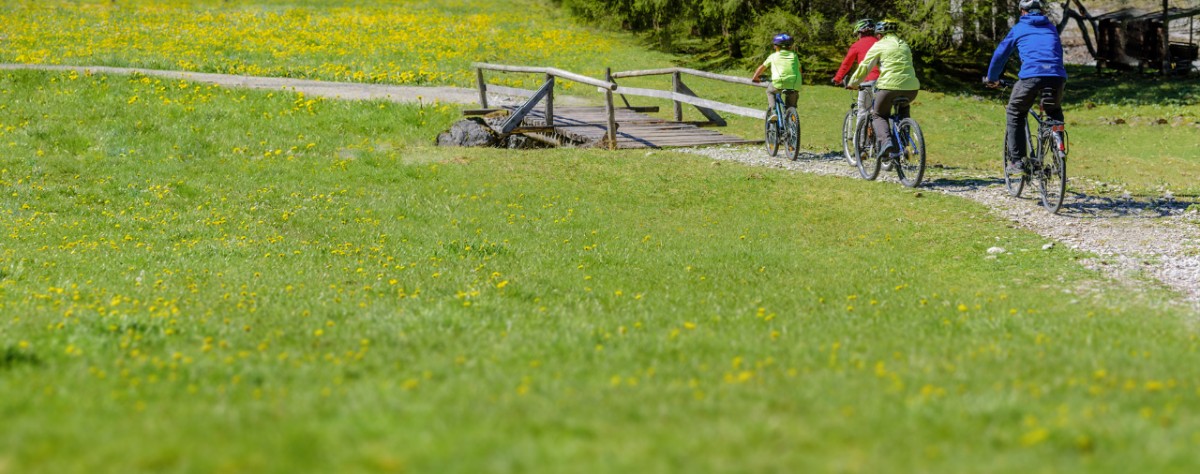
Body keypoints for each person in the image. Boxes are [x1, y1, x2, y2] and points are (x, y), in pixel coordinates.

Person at [985, 0, 1067, 174]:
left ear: (1023, 11)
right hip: (1057, 77)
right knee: (1054, 111)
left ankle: (1016, 162)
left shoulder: (1019, 29)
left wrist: (992, 78)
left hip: (1031, 77)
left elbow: (1000, 54)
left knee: (1015, 111)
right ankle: (1057, 152)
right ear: (1041, 11)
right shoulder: (1051, 27)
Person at [847, 19, 920, 160]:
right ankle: (903, 146)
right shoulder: (904, 45)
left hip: (888, 87)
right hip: (912, 88)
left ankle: (886, 143)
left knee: (878, 115)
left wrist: (853, 83)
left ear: (879, 34)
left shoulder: (879, 45)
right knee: (903, 112)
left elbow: (864, 66)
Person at [832, 19, 881, 125]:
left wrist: (837, 78)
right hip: (883, 81)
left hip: (867, 81)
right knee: (880, 114)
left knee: (862, 111)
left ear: (860, 33)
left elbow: (846, 64)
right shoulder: (880, 43)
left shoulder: (857, 45)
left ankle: (859, 141)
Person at [750, 33, 801, 113]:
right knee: (791, 103)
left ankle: (773, 111)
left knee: (770, 91)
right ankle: (792, 117)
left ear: (776, 46)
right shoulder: (794, 56)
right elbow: (799, 70)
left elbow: (762, 67)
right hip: (794, 83)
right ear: (790, 46)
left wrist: (755, 78)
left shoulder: (773, 56)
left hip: (779, 83)